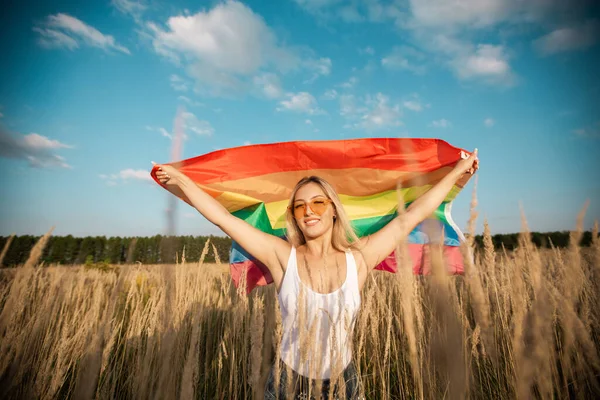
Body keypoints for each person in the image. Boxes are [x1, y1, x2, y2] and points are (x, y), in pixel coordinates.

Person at [153, 148, 479, 399]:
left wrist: (457, 173)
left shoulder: (360, 258)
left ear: (334, 210)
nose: (309, 211)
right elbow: (224, 219)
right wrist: (184, 182)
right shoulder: (282, 256)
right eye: (300, 206)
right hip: (287, 383)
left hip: (344, 384)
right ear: (294, 215)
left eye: (318, 203)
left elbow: (413, 216)